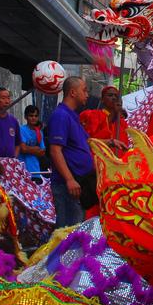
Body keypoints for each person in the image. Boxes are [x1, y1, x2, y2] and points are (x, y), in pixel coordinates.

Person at [46, 76, 97, 227]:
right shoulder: (61, 115)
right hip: (67, 185)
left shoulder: (72, 116)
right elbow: (55, 150)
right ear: (73, 92)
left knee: (76, 228)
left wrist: (111, 142)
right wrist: (69, 179)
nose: (87, 94)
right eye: (84, 90)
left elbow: (86, 142)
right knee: (68, 232)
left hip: (80, 182)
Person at [80, 85, 131, 151]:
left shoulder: (121, 123)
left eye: (116, 96)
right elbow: (87, 141)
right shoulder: (93, 114)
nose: (114, 98)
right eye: (110, 95)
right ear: (102, 100)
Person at [19, 105, 46, 179]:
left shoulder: (39, 132)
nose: (34, 118)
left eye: (36, 116)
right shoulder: (21, 129)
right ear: (25, 117)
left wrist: (29, 149)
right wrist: (36, 149)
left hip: (36, 170)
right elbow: (23, 149)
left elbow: (43, 151)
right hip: (22, 170)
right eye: (31, 116)